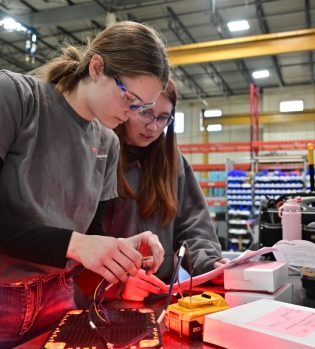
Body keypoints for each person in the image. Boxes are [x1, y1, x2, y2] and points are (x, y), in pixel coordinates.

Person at [0, 21, 169, 349]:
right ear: (96, 68)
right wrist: (78, 244)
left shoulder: (108, 143)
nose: (134, 115)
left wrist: (120, 250)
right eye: (131, 99)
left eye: (144, 108)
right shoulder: (16, 98)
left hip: (58, 302)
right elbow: (76, 243)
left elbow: (84, 243)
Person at [76, 78, 228, 302]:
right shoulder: (97, 157)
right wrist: (117, 285)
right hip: (101, 300)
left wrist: (209, 264)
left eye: (163, 117)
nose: (153, 126)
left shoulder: (175, 164)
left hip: (160, 295)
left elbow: (193, 227)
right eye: (146, 112)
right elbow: (80, 242)